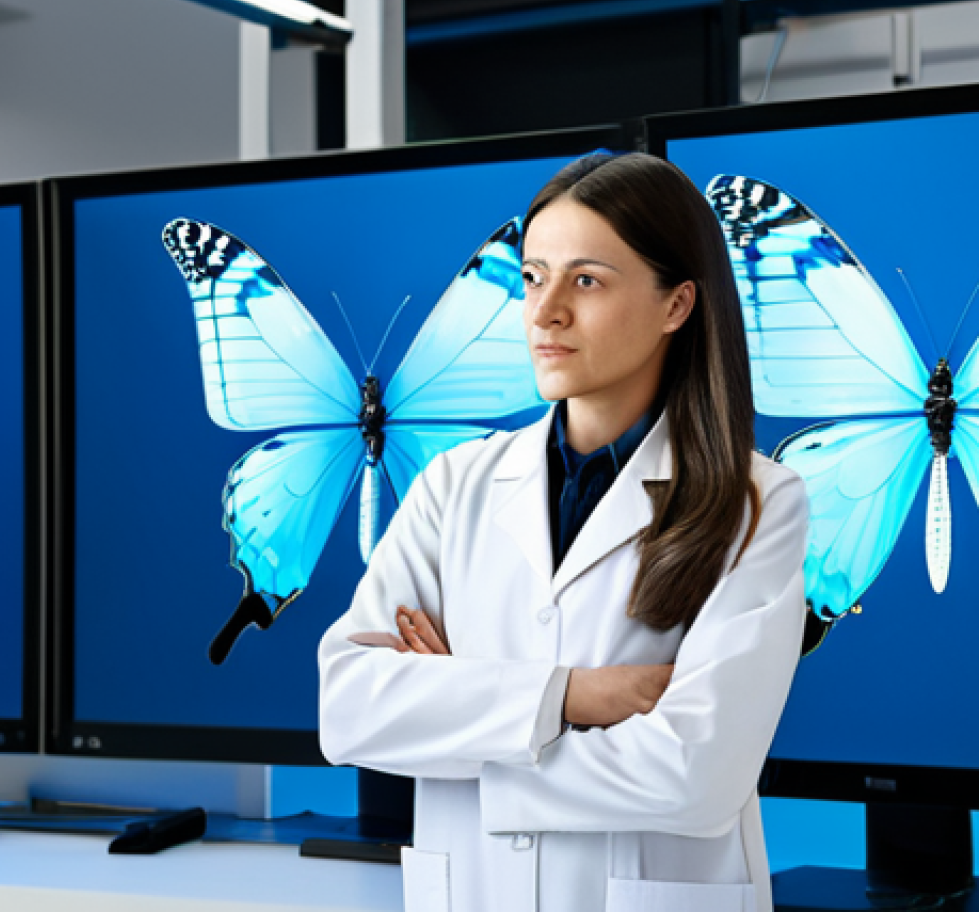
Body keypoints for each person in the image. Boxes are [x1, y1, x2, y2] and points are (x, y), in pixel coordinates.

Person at [318, 152, 809, 912]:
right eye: (531, 277)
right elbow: (350, 708)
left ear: (677, 305)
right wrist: (576, 695)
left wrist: (463, 722)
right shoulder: (454, 486)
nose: (544, 312)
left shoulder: (758, 503)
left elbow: (696, 775)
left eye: (585, 280)